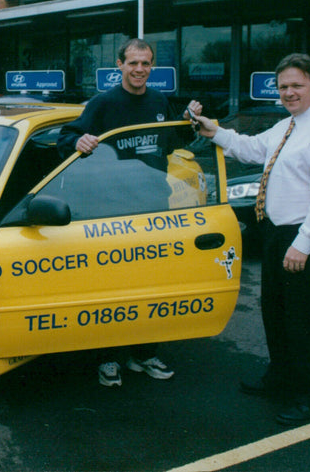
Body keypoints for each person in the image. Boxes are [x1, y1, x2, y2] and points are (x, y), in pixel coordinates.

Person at [191, 53, 310, 426]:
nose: (289, 93)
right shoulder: (288, 126)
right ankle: (281, 377)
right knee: (275, 313)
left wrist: (305, 243)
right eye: (283, 87)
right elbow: (253, 148)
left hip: (305, 237)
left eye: (297, 85)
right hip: (278, 232)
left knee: (304, 320)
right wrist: (214, 131)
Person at [58, 38, 199, 387]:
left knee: (150, 287)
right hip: (112, 212)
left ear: (152, 67)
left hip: (153, 210)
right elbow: (66, 137)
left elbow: (172, 143)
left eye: (146, 63)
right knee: (112, 289)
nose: (139, 70)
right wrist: (78, 141)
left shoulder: (158, 101)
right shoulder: (103, 104)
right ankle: (107, 358)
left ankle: (143, 352)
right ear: (119, 65)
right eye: (133, 63)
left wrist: (187, 122)